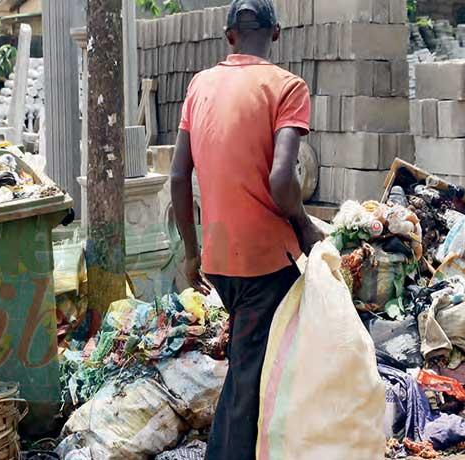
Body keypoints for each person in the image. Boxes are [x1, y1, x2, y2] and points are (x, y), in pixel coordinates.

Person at [170, 0, 325, 457]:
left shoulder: (199, 86)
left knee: (248, 366)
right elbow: (282, 178)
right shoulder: (287, 87)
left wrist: (192, 252)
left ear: (228, 35)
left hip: (219, 258)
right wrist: (304, 226)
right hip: (266, 260)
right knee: (250, 381)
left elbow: (179, 177)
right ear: (275, 34)